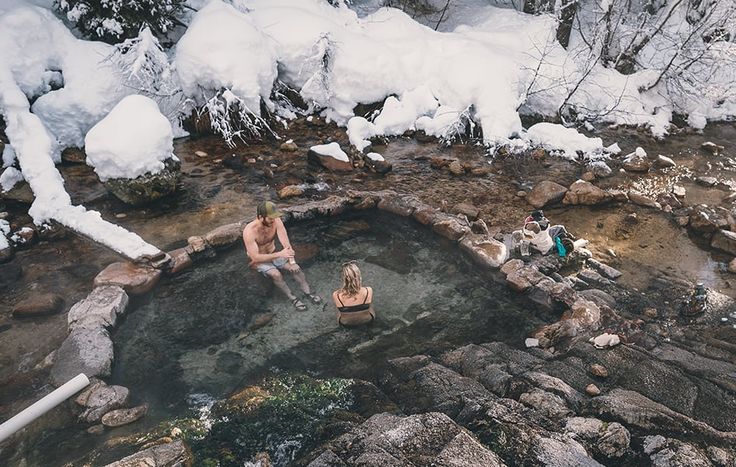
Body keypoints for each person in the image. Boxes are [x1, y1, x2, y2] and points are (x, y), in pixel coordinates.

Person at [243, 201, 321, 311]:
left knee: (296, 269)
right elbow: (255, 257)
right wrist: (280, 254)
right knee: (276, 274)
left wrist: (292, 262)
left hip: (274, 253)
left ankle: (308, 291)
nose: (273, 220)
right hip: (259, 260)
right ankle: (293, 298)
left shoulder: (276, 221)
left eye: (274, 218)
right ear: (261, 217)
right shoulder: (249, 231)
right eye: (270, 218)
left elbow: (285, 243)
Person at [332, 261, 375, 326]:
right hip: (367, 320)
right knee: (370, 305)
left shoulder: (336, 295)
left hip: (346, 323)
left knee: (339, 311)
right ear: (359, 276)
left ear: (343, 279)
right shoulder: (368, 290)